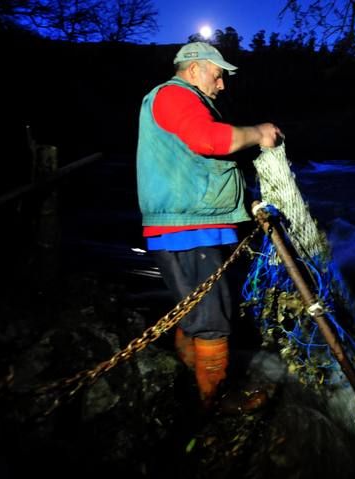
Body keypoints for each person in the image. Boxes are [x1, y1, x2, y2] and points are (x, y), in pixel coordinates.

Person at [136, 41, 282, 411]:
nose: (222, 85)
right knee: (212, 317)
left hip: (195, 225)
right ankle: (214, 400)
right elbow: (210, 141)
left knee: (198, 308)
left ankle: (188, 371)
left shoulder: (187, 102)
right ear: (195, 68)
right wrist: (259, 132)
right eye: (217, 76)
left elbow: (199, 164)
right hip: (186, 228)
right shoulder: (173, 95)